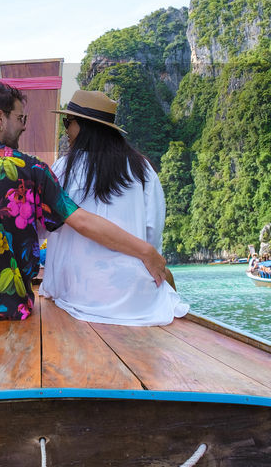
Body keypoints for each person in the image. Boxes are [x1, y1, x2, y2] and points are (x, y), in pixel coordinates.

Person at [0, 82, 168, 325]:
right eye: (21, 118)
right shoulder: (33, 169)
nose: (25, 125)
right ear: (0, 119)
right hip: (15, 305)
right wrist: (146, 251)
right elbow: (82, 221)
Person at [39, 90, 188, 326]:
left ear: (85, 126)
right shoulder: (143, 169)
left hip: (77, 294)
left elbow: (41, 228)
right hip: (134, 297)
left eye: (68, 122)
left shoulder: (62, 169)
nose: (65, 130)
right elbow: (153, 235)